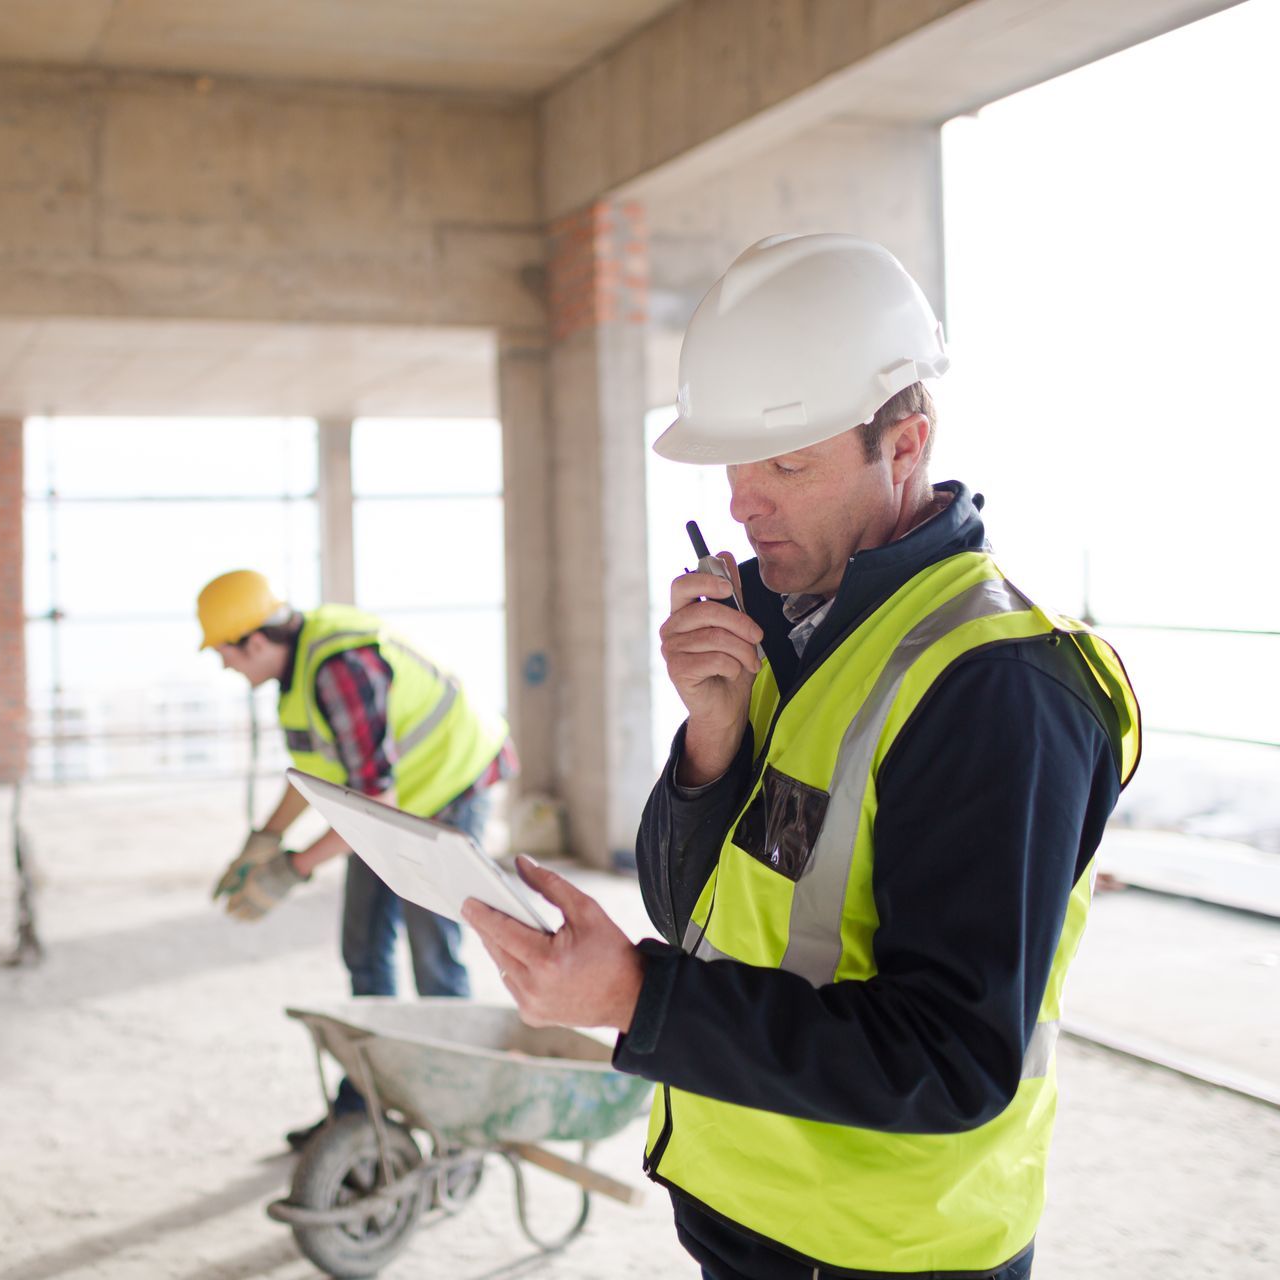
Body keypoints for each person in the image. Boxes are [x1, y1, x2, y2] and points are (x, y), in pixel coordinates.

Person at [464, 233, 1140, 1279]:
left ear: (904, 443)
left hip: (883, 1247)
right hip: (749, 1205)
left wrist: (634, 999)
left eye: (786, 463)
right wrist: (711, 737)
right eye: (734, 463)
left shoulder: (996, 685)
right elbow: (695, 907)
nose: (744, 502)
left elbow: (951, 1058)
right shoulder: (791, 630)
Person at [198, 569, 517, 1145]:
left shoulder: (340, 669)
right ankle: (363, 1108)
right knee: (364, 950)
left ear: (254, 642)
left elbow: (373, 801)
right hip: (395, 806)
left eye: (225, 654)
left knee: (433, 958)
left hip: (448, 789)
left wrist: (291, 869)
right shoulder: (294, 677)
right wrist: (264, 839)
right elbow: (320, 776)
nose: (225, 666)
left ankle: (455, 1117)